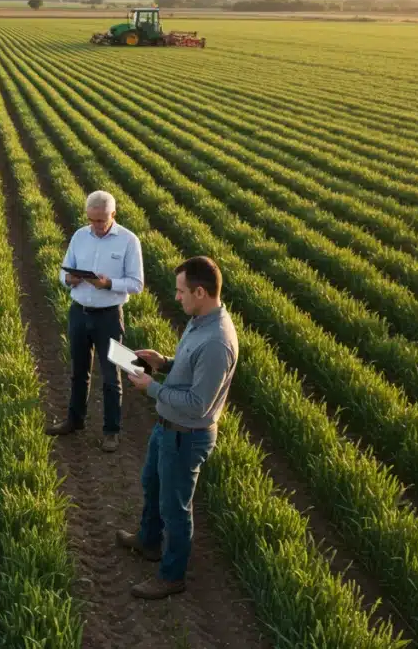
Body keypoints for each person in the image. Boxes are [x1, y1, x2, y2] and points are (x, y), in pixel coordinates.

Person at [120, 256, 239, 599]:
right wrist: (163, 363)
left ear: (200, 292)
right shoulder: (199, 320)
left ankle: (172, 576)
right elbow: (189, 371)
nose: (176, 297)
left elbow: (197, 403)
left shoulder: (217, 341)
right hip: (167, 427)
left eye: (181, 291)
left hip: (186, 435)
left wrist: (151, 386)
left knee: (176, 508)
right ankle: (148, 541)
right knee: (152, 484)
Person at [46, 190, 144, 452]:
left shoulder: (128, 241)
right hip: (79, 312)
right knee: (79, 372)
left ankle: (111, 431)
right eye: (92, 220)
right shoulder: (80, 235)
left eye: (101, 220)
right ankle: (74, 421)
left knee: (112, 376)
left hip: (109, 317)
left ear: (114, 215)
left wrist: (108, 283)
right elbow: (64, 269)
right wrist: (68, 279)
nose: (96, 226)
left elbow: (137, 284)